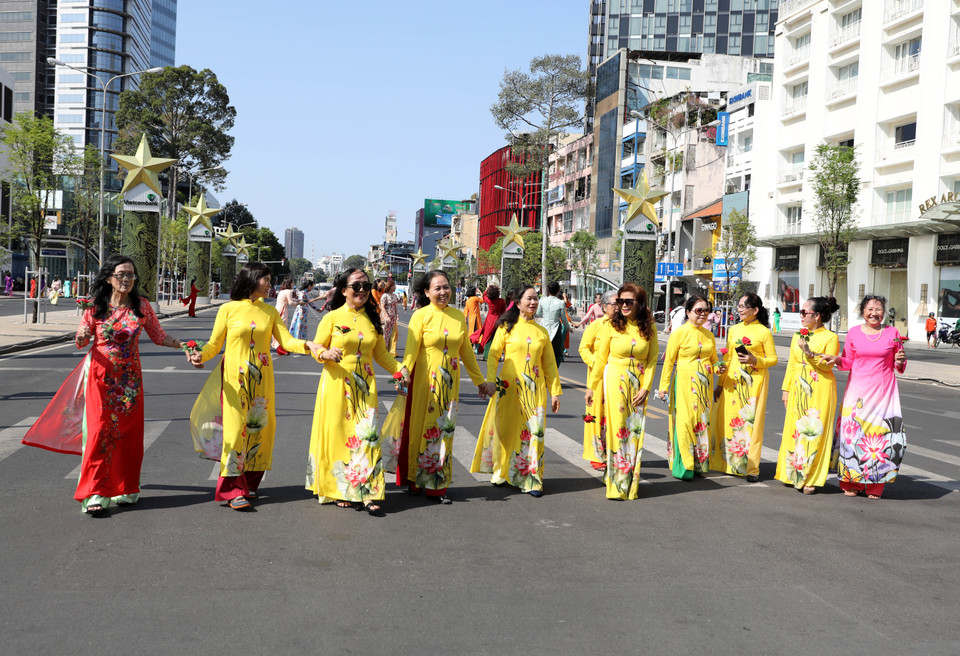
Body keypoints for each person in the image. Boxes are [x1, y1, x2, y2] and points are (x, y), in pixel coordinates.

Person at [23, 255, 187, 514]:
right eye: (121, 274)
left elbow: (159, 336)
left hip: (130, 382)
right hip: (100, 379)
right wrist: (82, 335)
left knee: (128, 437)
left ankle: (125, 488)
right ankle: (95, 492)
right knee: (99, 433)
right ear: (109, 277)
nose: (126, 280)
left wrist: (184, 345)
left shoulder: (141, 306)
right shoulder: (96, 306)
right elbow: (80, 341)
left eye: (131, 275)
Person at [188, 262, 321, 510]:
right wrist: (200, 356)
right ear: (252, 279)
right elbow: (214, 345)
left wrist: (309, 345)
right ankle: (232, 490)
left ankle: (248, 484)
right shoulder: (228, 309)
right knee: (235, 430)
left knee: (260, 430)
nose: (270, 284)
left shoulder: (269, 312)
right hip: (233, 381)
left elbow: (288, 341)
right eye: (266, 280)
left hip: (262, 382)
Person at [305, 268, 404, 515]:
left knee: (367, 437)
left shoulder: (372, 317)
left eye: (365, 285)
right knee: (341, 437)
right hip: (337, 386)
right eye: (355, 286)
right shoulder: (332, 317)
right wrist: (324, 353)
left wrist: (400, 370)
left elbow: (380, 354)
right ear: (344, 290)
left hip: (366, 387)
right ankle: (341, 490)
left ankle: (368, 492)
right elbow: (317, 346)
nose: (361, 290)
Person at [397, 271, 494, 503]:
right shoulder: (420, 316)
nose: (443, 292)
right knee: (421, 428)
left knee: (444, 430)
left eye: (446, 287)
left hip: (449, 384)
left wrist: (480, 381)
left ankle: (437, 485)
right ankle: (415, 478)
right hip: (424, 382)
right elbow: (411, 349)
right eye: (437, 288)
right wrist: (404, 372)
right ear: (427, 292)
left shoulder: (458, 316)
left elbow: (466, 352)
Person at [471, 285, 562, 497]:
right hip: (509, 387)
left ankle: (532, 479)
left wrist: (555, 391)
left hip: (535, 389)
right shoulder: (506, 326)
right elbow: (493, 355)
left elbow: (549, 364)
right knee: (506, 430)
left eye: (536, 299)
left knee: (535, 432)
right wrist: (491, 381)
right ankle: (502, 471)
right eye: (529, 298)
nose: (533, 302)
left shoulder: (542, 332)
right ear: (518, 302)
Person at [822, 295, 907, 500]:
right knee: (853, 438)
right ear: (862, 312)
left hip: (883, 393)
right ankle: (851, 481)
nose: (874, 313)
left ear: (884, 312)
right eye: (870, 309)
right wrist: (837, 359)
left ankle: (876, 485)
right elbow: (848, 363)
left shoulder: (892, 333)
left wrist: (901, 360)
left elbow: (900, 367)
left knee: (880, 439)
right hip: (857, 392)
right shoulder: (853, 333)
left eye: (878, 309)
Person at [585, 284, 658, 499]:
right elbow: (600, 359)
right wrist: (592, 386)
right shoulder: (611, 325)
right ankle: (616, 483)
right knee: (617, 430)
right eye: (620, 302)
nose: (623, 305)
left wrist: (646, 387)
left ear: (640, 303)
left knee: (634, 431)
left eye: (628, 302)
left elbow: (652, 360)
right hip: (615, 379)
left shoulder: (649, 328)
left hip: (638, 384)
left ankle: (630, 483)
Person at [774, 297, 841, 494]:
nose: (801, 316)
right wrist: (785, 390)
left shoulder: (830, 337)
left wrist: (810, 353)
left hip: (820, 387)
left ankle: (811, 477)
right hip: (797, 386)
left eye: (804, 312)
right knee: (795, 429)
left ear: (818, 316)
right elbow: (793, 364)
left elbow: (827, 365)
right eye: (800, 312)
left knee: (815, 430)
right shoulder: (797, 336)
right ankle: (792, 473)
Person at [712, 293, 778, 482]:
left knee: (751, 424)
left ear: (755, 310)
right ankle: (729, 464)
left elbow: (773, 359)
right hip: (732, 382)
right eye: (738, 305)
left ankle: (751, 468)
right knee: (729, 421)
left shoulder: (764, 332)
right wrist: (720, 381)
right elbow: (729, 357)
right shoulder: (733, 330)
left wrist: (755, 360)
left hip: (754, 382)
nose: (739, 309)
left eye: (743, 306)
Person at [656, 295, 722, 480]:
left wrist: (719, 368)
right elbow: (669, 362)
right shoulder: (679, 333)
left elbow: (714, 361)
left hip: (704, 386)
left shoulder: (709, 335)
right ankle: (684, 466)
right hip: (685, 382)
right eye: (698, 310)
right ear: (688, 312)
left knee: (701, 422)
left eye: (706, 311)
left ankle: (699, 463)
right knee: (684, 423)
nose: (703, 314)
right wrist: (663, 386)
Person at [579, 290, 617, 470]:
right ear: (604, 306)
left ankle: (614, 451)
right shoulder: (596, 325)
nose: (618, 307)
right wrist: (597, 363)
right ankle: (597, 454)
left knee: (614, 413)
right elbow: (583, 348)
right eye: (614, 304)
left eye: (621, 303)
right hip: (598, 377)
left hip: (617, 376)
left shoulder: (624, 326)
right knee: (596, 414)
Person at [536, 281, 571, 365]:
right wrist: (568, 327)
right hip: (555, 329)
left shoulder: (542, 300)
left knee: (542, 349)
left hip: (544, 327)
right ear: (558, 290)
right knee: (557, 352)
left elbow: (538, 314)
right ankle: (553, 369)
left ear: (548, 290)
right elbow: (563, 318)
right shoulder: (560, 302)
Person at [473, 284, 505, 361]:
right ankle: (498, 356)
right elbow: (504, 311)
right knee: (497, 339)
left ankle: (486, 355)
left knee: (488, 338)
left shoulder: (489, 300)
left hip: (489, 320)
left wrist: (487, 289)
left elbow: (484, 295)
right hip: (498, 320)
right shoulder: (501, 301)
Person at [380, 278, 399, 356]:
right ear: (390, 287)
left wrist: (396, 314)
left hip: (392, 317)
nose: (395, 287)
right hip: (386, 317)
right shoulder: (385, 295)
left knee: (391, 334)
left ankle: (388, 351)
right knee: (385, 333)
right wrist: (386, 316)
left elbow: (395, 306)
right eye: (393, 286)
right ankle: (382, 351)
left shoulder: (394, 295)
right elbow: (382, 306)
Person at [463, 286, 484, 353]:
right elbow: (483, 300)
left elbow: (466, 311)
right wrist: (480, 292)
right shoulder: (475, 298)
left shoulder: (468, 300)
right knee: (478, 332)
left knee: (471, 332)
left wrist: (465, 318)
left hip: (471, 319)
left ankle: (470, 347)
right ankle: (477, 348)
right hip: (476, 318)